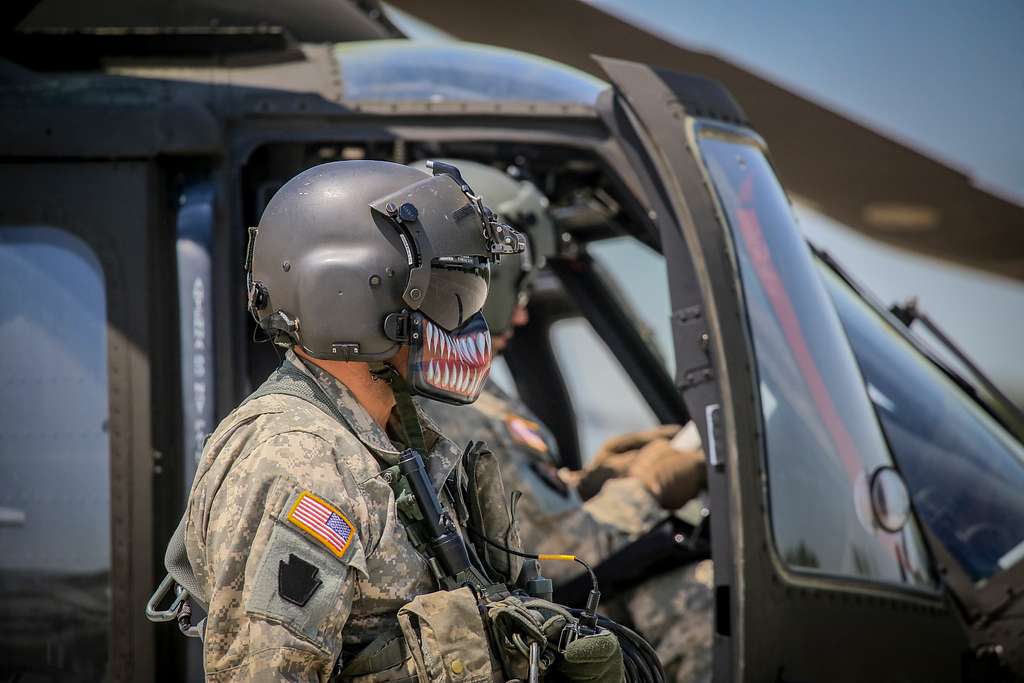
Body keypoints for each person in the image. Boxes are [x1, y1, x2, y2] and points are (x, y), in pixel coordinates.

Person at [179, 160, 624, 682]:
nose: (465, 322)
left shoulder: (400, 443)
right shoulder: (298, 462)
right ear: (345, 296)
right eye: (446, 296)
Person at [414, 160, 714, 683]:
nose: (524, 314)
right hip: (523, 626)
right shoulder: (451, 405)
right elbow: (554, 559)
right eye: (519, 289)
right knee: (704, 602)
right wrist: (649, 487)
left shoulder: (460, 390)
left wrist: (594, 481)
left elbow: (513, 514)